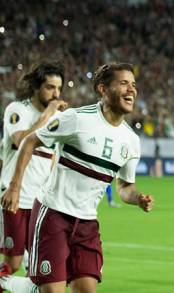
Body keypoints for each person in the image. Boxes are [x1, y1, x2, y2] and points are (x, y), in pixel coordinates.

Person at [0, 62, 154, 293]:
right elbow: (29, 141)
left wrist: (137, 198)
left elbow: (124, 187)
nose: (131, 89)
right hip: (53, 214)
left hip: (87, 223)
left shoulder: (131, 141)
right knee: (51, 290)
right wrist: (14, 187)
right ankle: (5, 280)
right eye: (123, 83)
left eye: (133, 84)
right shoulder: (77, 119)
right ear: (103, 89)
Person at [0, 60, 67, 283]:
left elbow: (52, 158)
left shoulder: (58, 119)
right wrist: (47, 115)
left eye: (59, 88)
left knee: (39, 265)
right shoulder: (17, 110)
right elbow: (21, 142)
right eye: (50, 87)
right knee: (13, 263)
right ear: (37, 87)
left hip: (41, 202)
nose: (55, 93)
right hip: (15, 197)